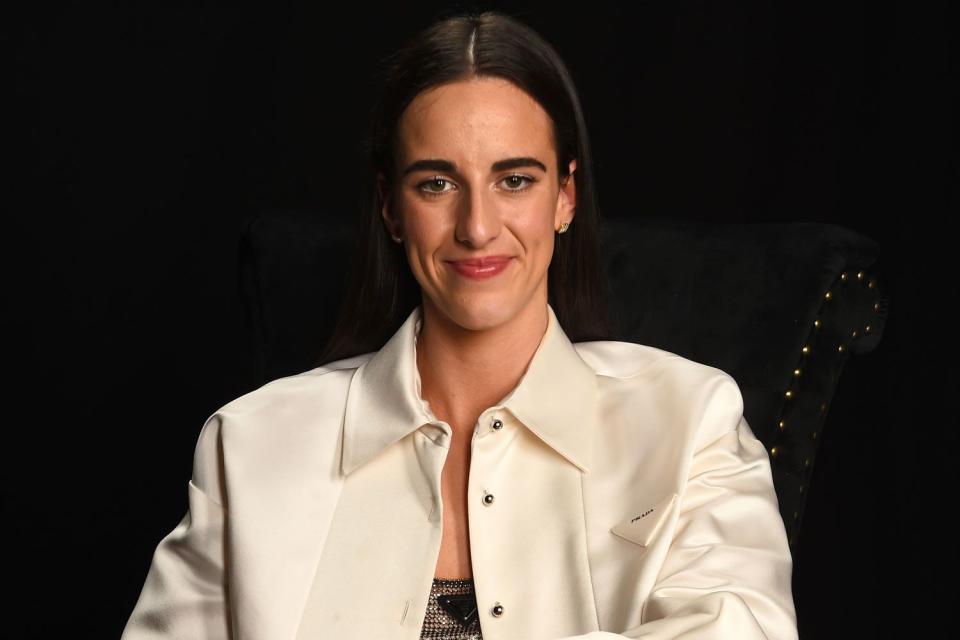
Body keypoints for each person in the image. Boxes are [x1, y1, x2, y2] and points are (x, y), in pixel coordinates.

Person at [121, 10, 798, 640]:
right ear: (391, 208)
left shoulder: (691, 423)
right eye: (436, 184)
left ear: (565, 196)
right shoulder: (249, 447)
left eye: (514, 180)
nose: (477, 227)